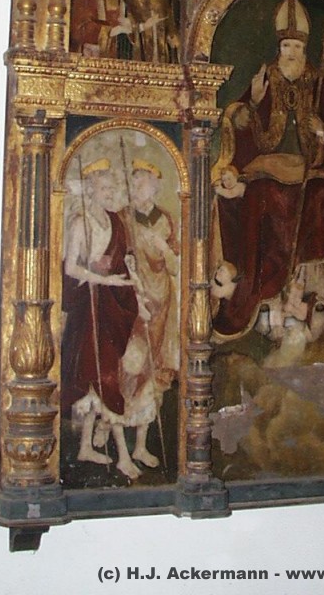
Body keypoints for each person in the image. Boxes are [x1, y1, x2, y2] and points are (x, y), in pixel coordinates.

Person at [211, 0, 324, 340]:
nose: (291, 53)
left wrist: (323, 131)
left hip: (311, 170)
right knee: (261, 196)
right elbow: (240, 121)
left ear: (304, 49)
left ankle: (314, 297)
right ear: (278, 48)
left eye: (297, 47)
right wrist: (254, 102)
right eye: (286, 47)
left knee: (323, 195)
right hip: (269, 167)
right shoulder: (267, 77)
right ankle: (263, 291)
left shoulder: (318, 81)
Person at [61, 158, 143, 478]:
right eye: (104, 188)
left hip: (113, 302)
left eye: (112, 188)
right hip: (91, 304)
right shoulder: (80, 223)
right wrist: (104, 279)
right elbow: (71, 268)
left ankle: (85, 446)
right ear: (92, 189)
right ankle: (122, 455)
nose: (110, 193)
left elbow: (122, 259)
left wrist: (128, 277)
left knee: (105, 374)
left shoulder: (114, 220)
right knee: (103, 375)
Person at [116, 158, 180, 475]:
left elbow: (176, 265)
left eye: (142, 182)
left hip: (162, 302)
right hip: (134, 301)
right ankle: (120, 446)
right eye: (134, 182)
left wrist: (163, 249)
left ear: (154, 185)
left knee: (155, 368)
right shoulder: (123, 218)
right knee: (130, 366)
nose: (137, 188)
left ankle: (141, 444)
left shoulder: (166, 220)